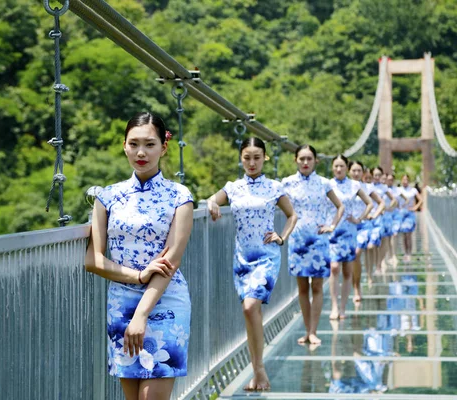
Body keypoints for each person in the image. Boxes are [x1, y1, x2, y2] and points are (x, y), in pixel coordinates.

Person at [85, 112, 194, 400]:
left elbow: (171, 261)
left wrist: (142, 315)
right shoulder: (107, 197)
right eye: (133, 144)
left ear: (164, 147)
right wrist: (137, 276)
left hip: (165, 300)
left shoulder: (179, 197)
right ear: (124, 146)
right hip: (121, 302)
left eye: (150, 144)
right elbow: (92, 260)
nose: (141, 152)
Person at [206, 137, 298, 391]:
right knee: (251, 312)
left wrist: (282, 237)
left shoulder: (274, 187)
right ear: (241, 158)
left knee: (249, 308)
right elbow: (212, 199)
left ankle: (259, 370)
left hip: (267, 256)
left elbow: (292, 215)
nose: (252, 162)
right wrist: (212, 204)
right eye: (247, 157)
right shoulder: (233, 187)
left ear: (265, 158)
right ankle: (258, 372)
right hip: (242, 259)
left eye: (257, 157)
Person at [282, 145, 344, 345]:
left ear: (316, 160)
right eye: (302, 159)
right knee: (302, 288)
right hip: (298, 240)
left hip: (319, 240)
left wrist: (332, 225)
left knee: (317, 286)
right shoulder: (287, 183)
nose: (305, 162)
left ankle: (313, 331)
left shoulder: (324, 183)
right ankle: (306, 330)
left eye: (309, 158)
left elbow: (340, 206)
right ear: (295, 160)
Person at [327, 155, 373, 319]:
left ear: (346, 167)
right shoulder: (327, 184)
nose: (338, 169)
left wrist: (359, 218)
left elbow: (370, 203)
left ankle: (343, 307)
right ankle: (334, 305)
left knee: (347, 270)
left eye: (341, 166)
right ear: (332, 168)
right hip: (332, 230)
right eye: (336, 166)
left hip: (349, 231)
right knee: (333, 267)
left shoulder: (354, 185)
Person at [359, 167, 385, 286]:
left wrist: (375, 214)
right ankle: (363, 276)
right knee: (361, 251)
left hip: (372, 222)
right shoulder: (352, 187)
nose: (368, 179)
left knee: (371, 247)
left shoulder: (370, 188)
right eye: (367, 177)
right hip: (356, 223)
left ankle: (372, 272)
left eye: (370, 177)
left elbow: (381, 203)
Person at [371, 167, 398, 274]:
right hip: (371, 217)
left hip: (382, 217)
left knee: (384, 241)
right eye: (375, 175)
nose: (377, 177)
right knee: (374, 243)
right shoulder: (368, 187)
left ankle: (379, 263)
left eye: (379, 175)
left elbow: (394, 200)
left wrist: (387, 208)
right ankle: (376, 263)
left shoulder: (384, 188)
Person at [398, 174, 423, 262]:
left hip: (410, 214)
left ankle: (409, 253)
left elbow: (421, 199)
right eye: (403, 180)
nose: (405, 181)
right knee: (404, 234)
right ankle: (405, 252)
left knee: (409, 234)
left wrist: (415, 208)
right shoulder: (399, 190)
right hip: (401, 214)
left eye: (406, 180)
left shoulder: (413, 190)